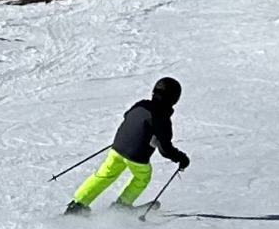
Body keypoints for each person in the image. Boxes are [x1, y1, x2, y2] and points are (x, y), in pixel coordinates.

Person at [65, 76, 191, 215]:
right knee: (142, 177)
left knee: (104, 175)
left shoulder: (141, 104)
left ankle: (78, 204)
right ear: (174, 99)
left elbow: (127, 116)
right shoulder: (162, 119)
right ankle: (122, 205)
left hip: (117, 149)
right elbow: (165, 149)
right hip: (137, 156)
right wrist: (181, 158)